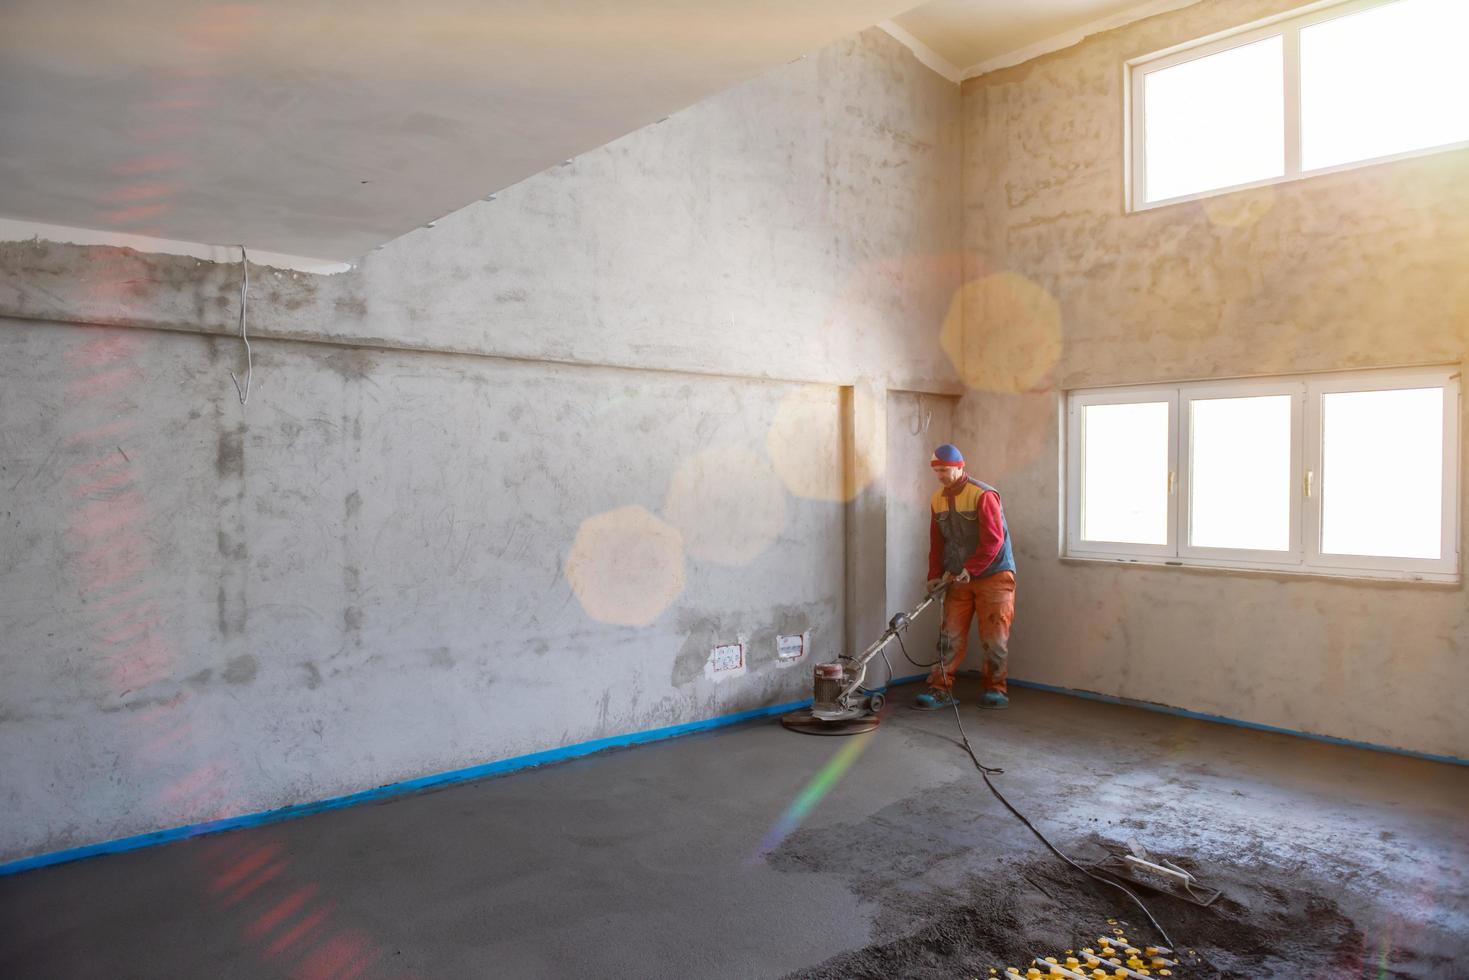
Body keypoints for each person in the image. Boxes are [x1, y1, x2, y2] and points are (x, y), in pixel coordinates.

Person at [915, 443, 1016, 710]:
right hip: (958, 577)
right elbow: (937, 543)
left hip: (994, 576)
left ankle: (996, 689)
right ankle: (940, 689)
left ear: (960, 467)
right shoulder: (937, 500)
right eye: (937, 471)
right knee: (950, 635)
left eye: (946, 470)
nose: (941, 476)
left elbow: (994, 540)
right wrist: (934, 575)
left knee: (995, 638)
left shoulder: (983, 495)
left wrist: (971, 569)